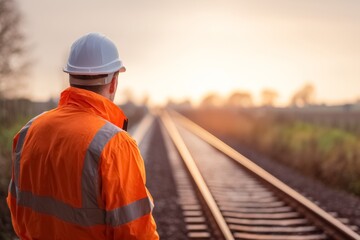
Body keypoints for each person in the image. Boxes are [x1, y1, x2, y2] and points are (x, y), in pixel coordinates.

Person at [7, 32, 159, 239]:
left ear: (70, 77)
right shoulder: (115, 144)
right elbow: (135, 233)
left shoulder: (28, 131)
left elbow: (17, 211)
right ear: (114, 82)